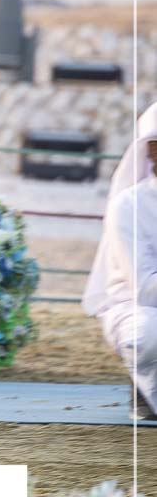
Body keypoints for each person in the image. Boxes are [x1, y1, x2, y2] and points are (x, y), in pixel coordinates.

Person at [84, 101, 157, 420]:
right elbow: (145, 288)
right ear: (151, 150)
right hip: (138, 309)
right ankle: (144, 383)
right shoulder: (129, 205)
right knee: (149, 332)